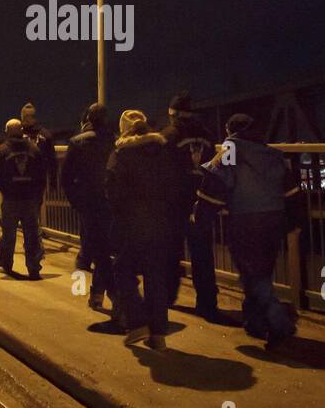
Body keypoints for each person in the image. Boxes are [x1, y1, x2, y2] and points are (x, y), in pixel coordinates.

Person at [195, 113, 300, 347]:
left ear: (228, 131)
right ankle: (255, 322)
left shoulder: (231, 148)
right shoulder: (271, 152)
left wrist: (202, 216)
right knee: (262, 271)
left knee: (252, 274)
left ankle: (279, 321)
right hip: (274, 220)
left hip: (245, 219)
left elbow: (215, 183)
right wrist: (295, 221)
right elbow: (291, 191)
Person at [106, 109, 178, 351]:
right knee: (155, 275)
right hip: (159, 222)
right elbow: (172, 186)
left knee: (123, 270)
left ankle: (137, 323)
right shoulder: (161, 150)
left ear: (124, 128)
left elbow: (113, 193)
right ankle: (158, 334)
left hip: (131, 224)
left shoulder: (121, 154)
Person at [162, 91, 223, 321]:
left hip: (175, 204)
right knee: (203, 254)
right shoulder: (207, 136)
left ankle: (168, 297)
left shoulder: (168, 136)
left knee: (172, 251)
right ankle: (207, 304)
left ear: (174, 115)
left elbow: (161, 172)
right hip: (201, 202)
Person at [60, 103, 117, 310]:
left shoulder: (77, 142)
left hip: (87, 203)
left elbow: (65, 177)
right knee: (103, 248)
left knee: (98, 251)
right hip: (109, 202)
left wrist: (76, 202)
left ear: (87, 120)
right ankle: (97, 295)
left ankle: (116, 299)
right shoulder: (113, 142)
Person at [0, 119, 48, 279]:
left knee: (8, 234)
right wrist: (37, 194)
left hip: (11, 199)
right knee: (31, 234)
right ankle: (34, 268)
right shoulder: (34, 149)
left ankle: (6, 263)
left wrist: (6, 191)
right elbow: (41, 175)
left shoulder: (2, 150)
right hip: (30, 199)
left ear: (7, 131)